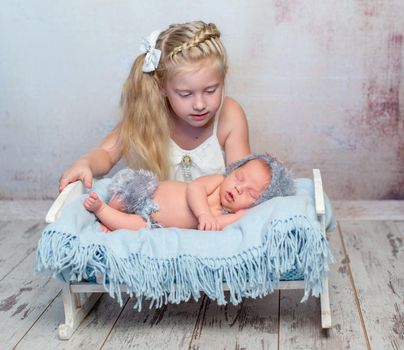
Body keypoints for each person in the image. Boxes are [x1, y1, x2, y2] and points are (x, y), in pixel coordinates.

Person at [59, 21, 251, 192]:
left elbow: (241, 181)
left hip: (212, 219)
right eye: (185, 94)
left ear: (223, 77)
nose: (200, 105)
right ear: (162, 87)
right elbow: (106, 153)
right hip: (159, 221)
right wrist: (85, 163)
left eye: (210, 90)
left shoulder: (229, 116)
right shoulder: (148, 112)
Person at [83, 153, 296, 232]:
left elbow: (217, 226)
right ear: (233, 170)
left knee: (136, 227)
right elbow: (194, 189)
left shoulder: (227, 215)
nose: (239, 188)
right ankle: (110, 210)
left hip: (152, 221)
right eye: (239, 177)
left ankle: (104, 213)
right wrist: (203, 214)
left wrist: (240, 216)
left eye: (250, 194)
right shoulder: (217, 182)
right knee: (127, 194)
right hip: (149, 192)